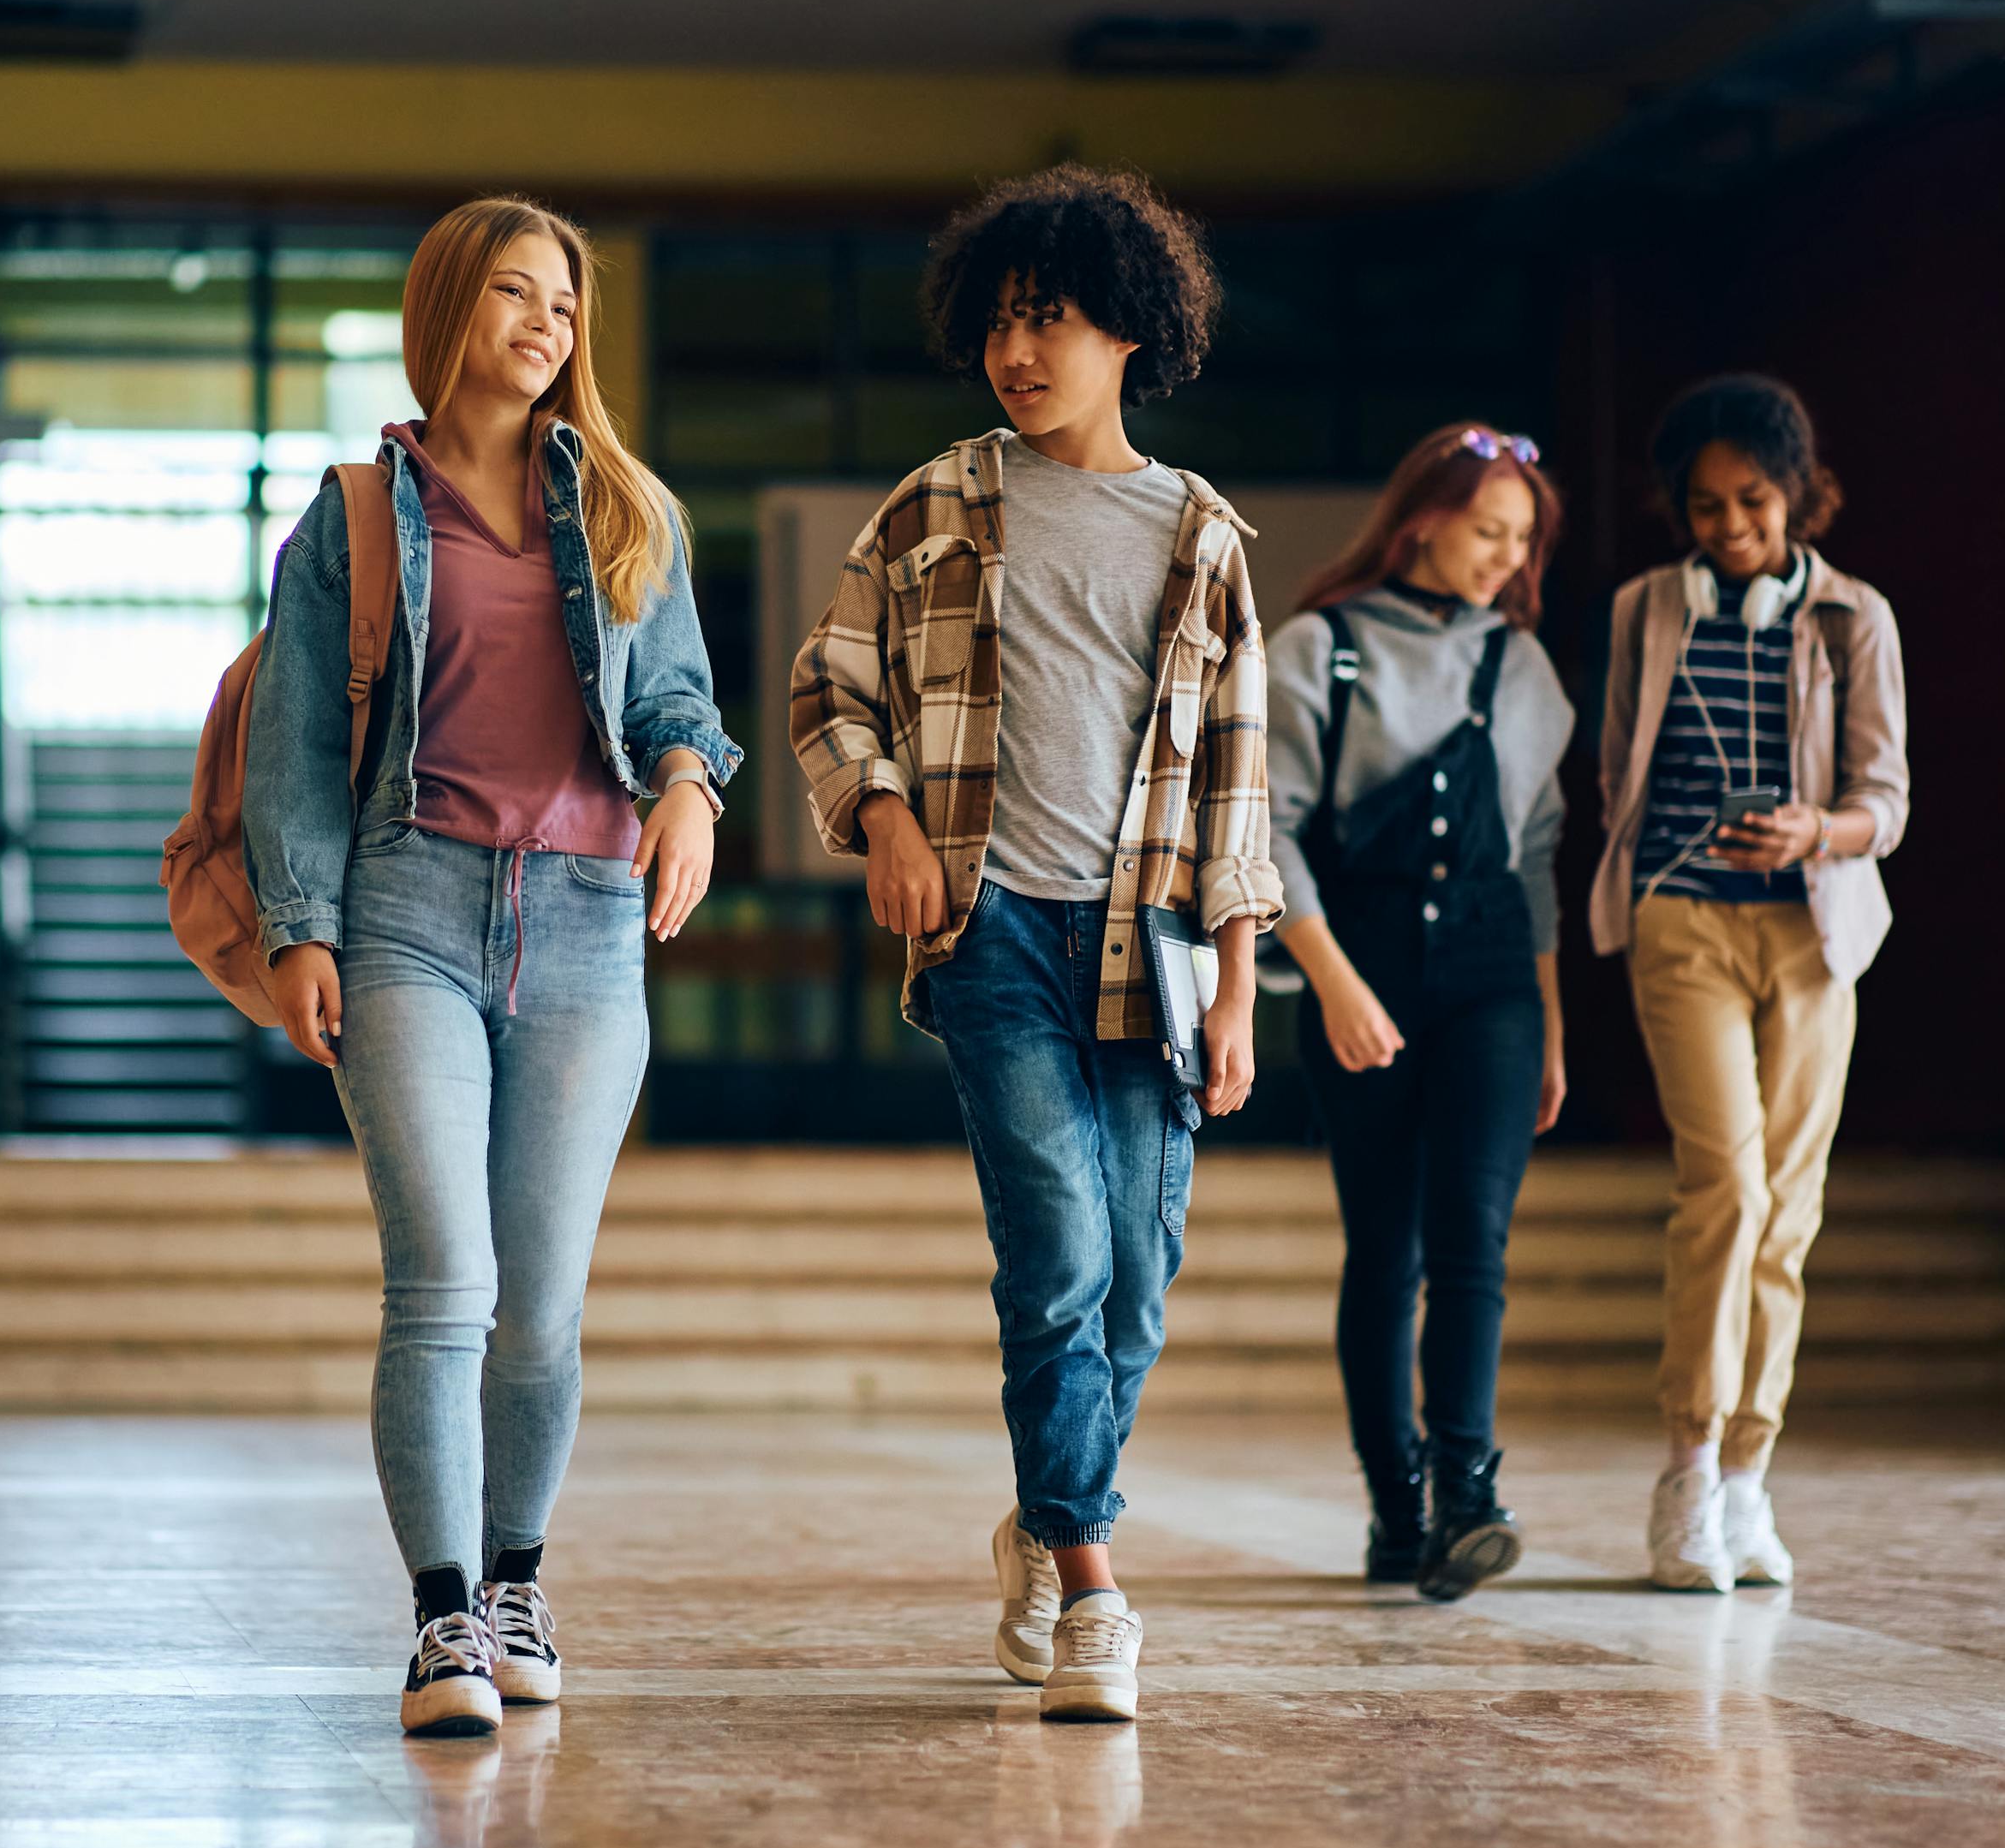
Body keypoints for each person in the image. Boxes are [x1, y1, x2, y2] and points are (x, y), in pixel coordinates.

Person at [791, 164, 1282, 1724]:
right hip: (993, 928)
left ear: (1130, 331)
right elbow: (829, 685)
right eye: (1002, 321)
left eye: (1052, 319)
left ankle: (1044, 1510)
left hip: (1155, 946)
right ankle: (1090, 1584)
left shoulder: (1202, 534)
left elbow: (1235, 781)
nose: (1021, 350)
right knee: (1060, 1254)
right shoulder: (937, 503)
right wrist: (879, 819)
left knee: (1137, 1283)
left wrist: (1243, 987)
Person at [243, 197, 737, 1738]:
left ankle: (520, 1580)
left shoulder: (626, 511)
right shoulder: (351, 518)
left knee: (543, 1304)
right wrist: (301, 922)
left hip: (588, 923)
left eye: (567, 304)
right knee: (442, 1281)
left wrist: (689, 790)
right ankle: (445, 1619)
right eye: (516, 294)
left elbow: (680, 704)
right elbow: (298, 748)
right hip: (407, 914)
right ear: (449, 306)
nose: (547, 325)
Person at [1592, 374, 1909, 1593]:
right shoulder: (1640, 611)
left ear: (1798, 492)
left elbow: (1888, 800)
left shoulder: (1853, 619)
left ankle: (1746, 1479)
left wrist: (1814, 831)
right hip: (1684, 922)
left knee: (1790, 1207)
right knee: (1722, 1184)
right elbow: (1620, 766)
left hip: (1814, 931)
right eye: (1708, 505)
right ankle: (1684, 1473)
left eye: (1754, 502)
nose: (1731, 528)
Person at [1265, 426, 1574, 1601]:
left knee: (1473, 1237)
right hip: (1359, 958)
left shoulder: (1524, 668)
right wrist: (1333, 982)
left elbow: (1538, 848)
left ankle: (1469, 1495)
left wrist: (1548, 1017)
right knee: (1384, 1247)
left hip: (1492, 972)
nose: (1507, 557)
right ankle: (1396, 1505)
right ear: (1422, 520)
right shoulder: (1320, 651)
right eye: (1490, 530)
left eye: (1522, 540)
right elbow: (1268, 828)